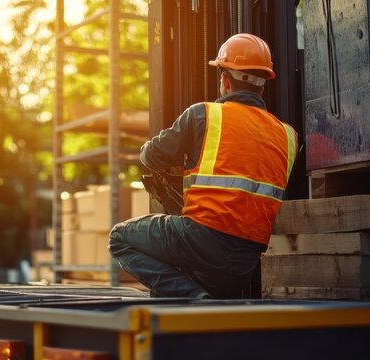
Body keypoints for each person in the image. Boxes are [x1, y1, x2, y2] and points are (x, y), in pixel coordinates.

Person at [108, 33, 298, 299]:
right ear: (263, 84)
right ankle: (198, 294)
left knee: (120, 238)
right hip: (245, 262)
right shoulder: (287, 135)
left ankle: (192, 297)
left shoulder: (203, 115)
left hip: (201, 240)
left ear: (225, 79)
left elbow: (151, 157)